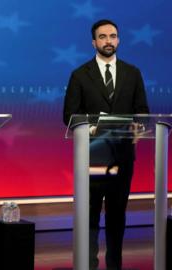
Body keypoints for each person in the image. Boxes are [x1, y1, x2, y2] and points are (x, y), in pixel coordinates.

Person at [63, 19, 149, 270]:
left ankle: (115, 265)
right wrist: (93, 128)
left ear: (119, 40)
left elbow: (142, 111)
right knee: (89, 216)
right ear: (94, 42)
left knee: (116, 217)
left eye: (113, 36)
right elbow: (68, 115)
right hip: (91, 157)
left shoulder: (133, 73)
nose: (108, 41)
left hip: (122, 157)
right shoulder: (79, 75)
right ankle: (88, 264)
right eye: (102, 37)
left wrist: (138, 126)